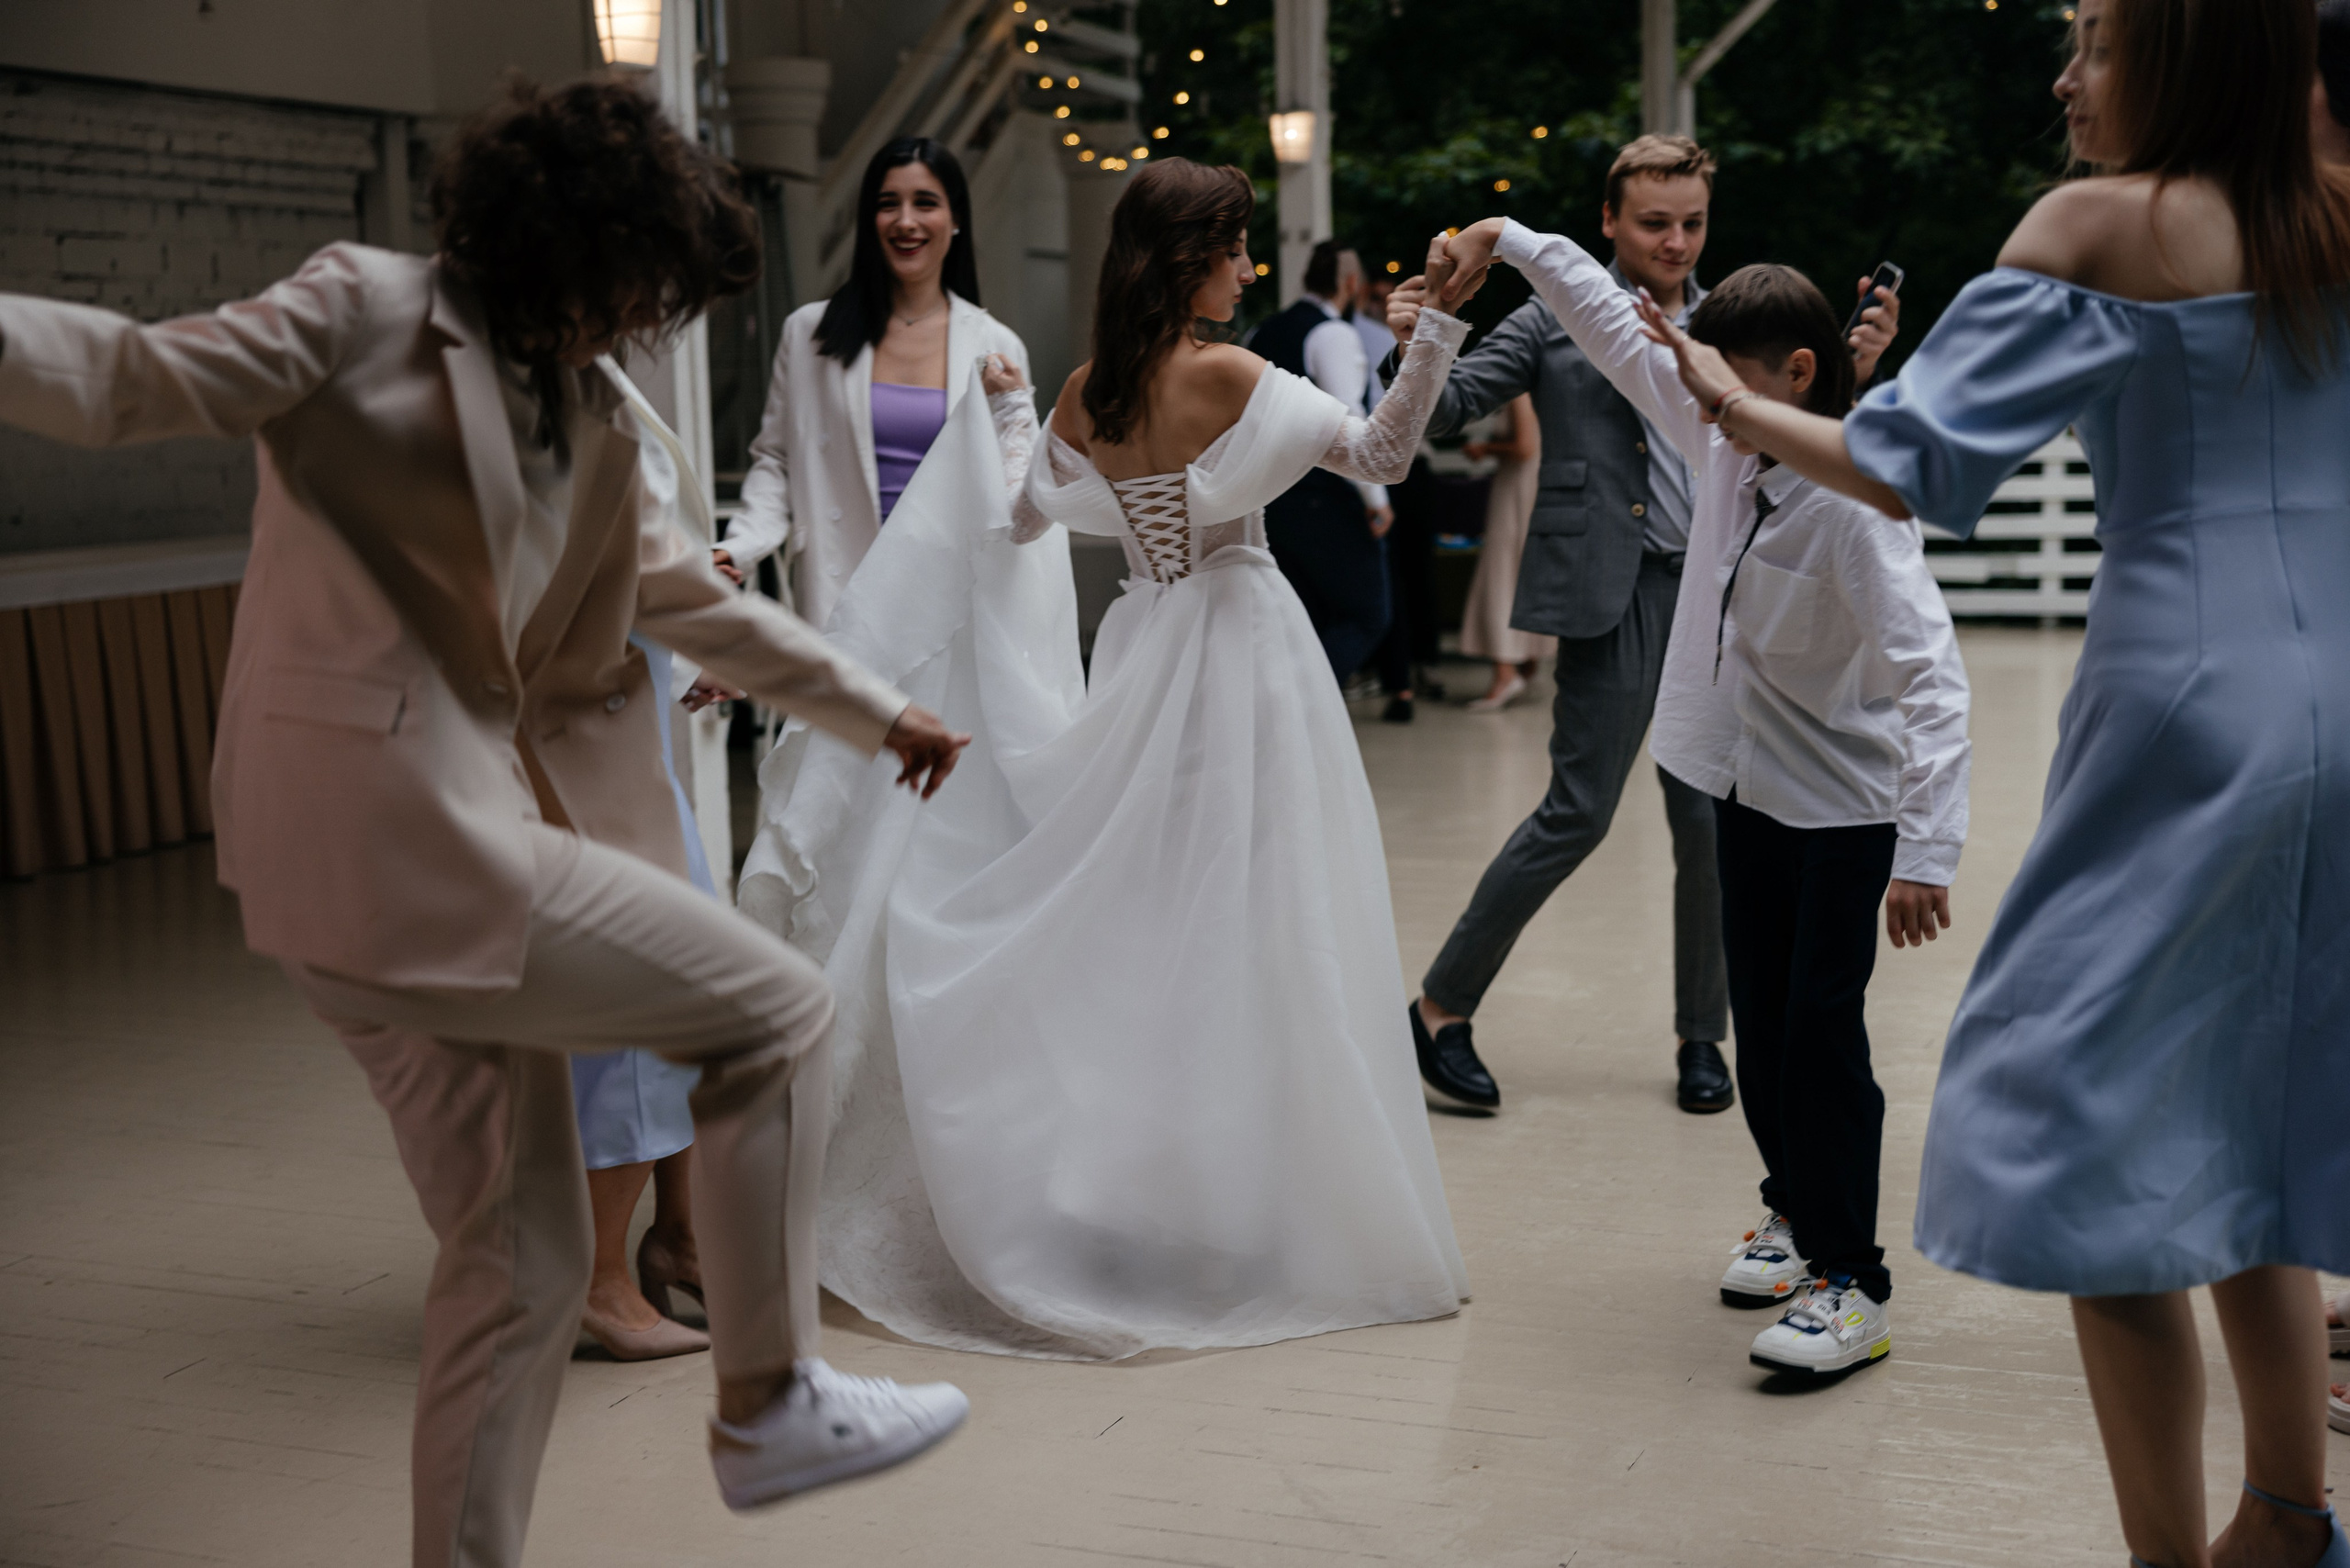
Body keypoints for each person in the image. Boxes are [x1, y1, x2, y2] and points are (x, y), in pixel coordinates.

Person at [0, 79, 980, 1564]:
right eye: (639, 281)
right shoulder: (363, 310)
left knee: (518, 1269)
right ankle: (769, 1400)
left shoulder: (586, 413)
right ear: (573, 240)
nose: (643, 316)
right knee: (775, 1009)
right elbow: (126, 374)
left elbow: (689, 598)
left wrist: (877, 708)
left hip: (389, 863)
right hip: (389, 832)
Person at [1610, 0, 2350, 1560]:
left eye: (2091, 41)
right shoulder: (2324, 214)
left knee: (2087, 1124)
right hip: (2335, 696)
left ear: (2180, 55)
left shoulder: (2103, 220)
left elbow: (1915, 460)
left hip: (2189, 706)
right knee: (2256, 1111)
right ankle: (2288, 1511)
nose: (2065, 75)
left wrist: (1740, 408)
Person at [750, 158, 1475, 1360]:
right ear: (1191, 256)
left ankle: (1154, 1195)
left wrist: (1006, 409)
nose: (1248, 267)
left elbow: (1031, 506)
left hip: (1141, 653)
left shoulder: (1094, 390)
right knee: (1262, 923)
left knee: (1158, 930)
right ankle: (1248, 1210)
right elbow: (1387, 453)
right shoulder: (1231, 374)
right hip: (1244, 661)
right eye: (1235, 246)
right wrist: (1436, 331)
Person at [1444, 216, 1971, 1372]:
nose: (1696, 394)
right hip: (1743, 785)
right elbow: (1607, 325)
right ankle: (1794, 1212)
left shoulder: (1853, 504)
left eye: (1716, 377)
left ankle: (1853, 1282)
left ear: (1793, 377)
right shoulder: (1725, 432)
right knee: (1764, 1032)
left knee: (1823, 1040)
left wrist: (1927, 849)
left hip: (1843, 810)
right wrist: (1512, 238)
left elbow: (1932, 675)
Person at [1389, 134, 1903, 1115]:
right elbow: (1441, 410)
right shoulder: (1551, 317)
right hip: (1611, 591)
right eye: (1654, 222)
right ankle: (1440, 1005)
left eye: (1692, 222)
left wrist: (1852, 372)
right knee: (1577, 811)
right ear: (1608, 223)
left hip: (1718, 597)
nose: (1674, 240)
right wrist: (1417, 332)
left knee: (1710, 824)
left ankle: (1701, 1036)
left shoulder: (1732, 319)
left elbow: (1791, 443)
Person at [712, 138, 1034, 633]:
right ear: (870, 221)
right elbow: (775, 462)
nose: (905, 221)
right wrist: (740, 547)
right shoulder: (810, 334)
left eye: (925, 203)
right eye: (888, 205)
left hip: (953, 597)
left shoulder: (994, 346)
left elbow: (1018, 488)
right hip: (844, 590)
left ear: (955, 219)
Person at [1252, 239, 1397, 689]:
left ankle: (1288, 714)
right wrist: (1376, 496)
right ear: (1351, 283)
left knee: (1304, 617)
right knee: (1368, 613)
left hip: (1270, 498)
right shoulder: (1333, 333)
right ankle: (1302, 706)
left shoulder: (1262, 331)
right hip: (1324, 498)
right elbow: (1348, 415)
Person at [1456, 393, 1550, 710]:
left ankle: (1505, 673)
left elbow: (1525, 447)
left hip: (1517, 487)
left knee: (1501, 575)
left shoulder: (1521, 390)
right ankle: (1525, 665)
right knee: (1519, 574)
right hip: (1532, 486)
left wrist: (1485, 448)